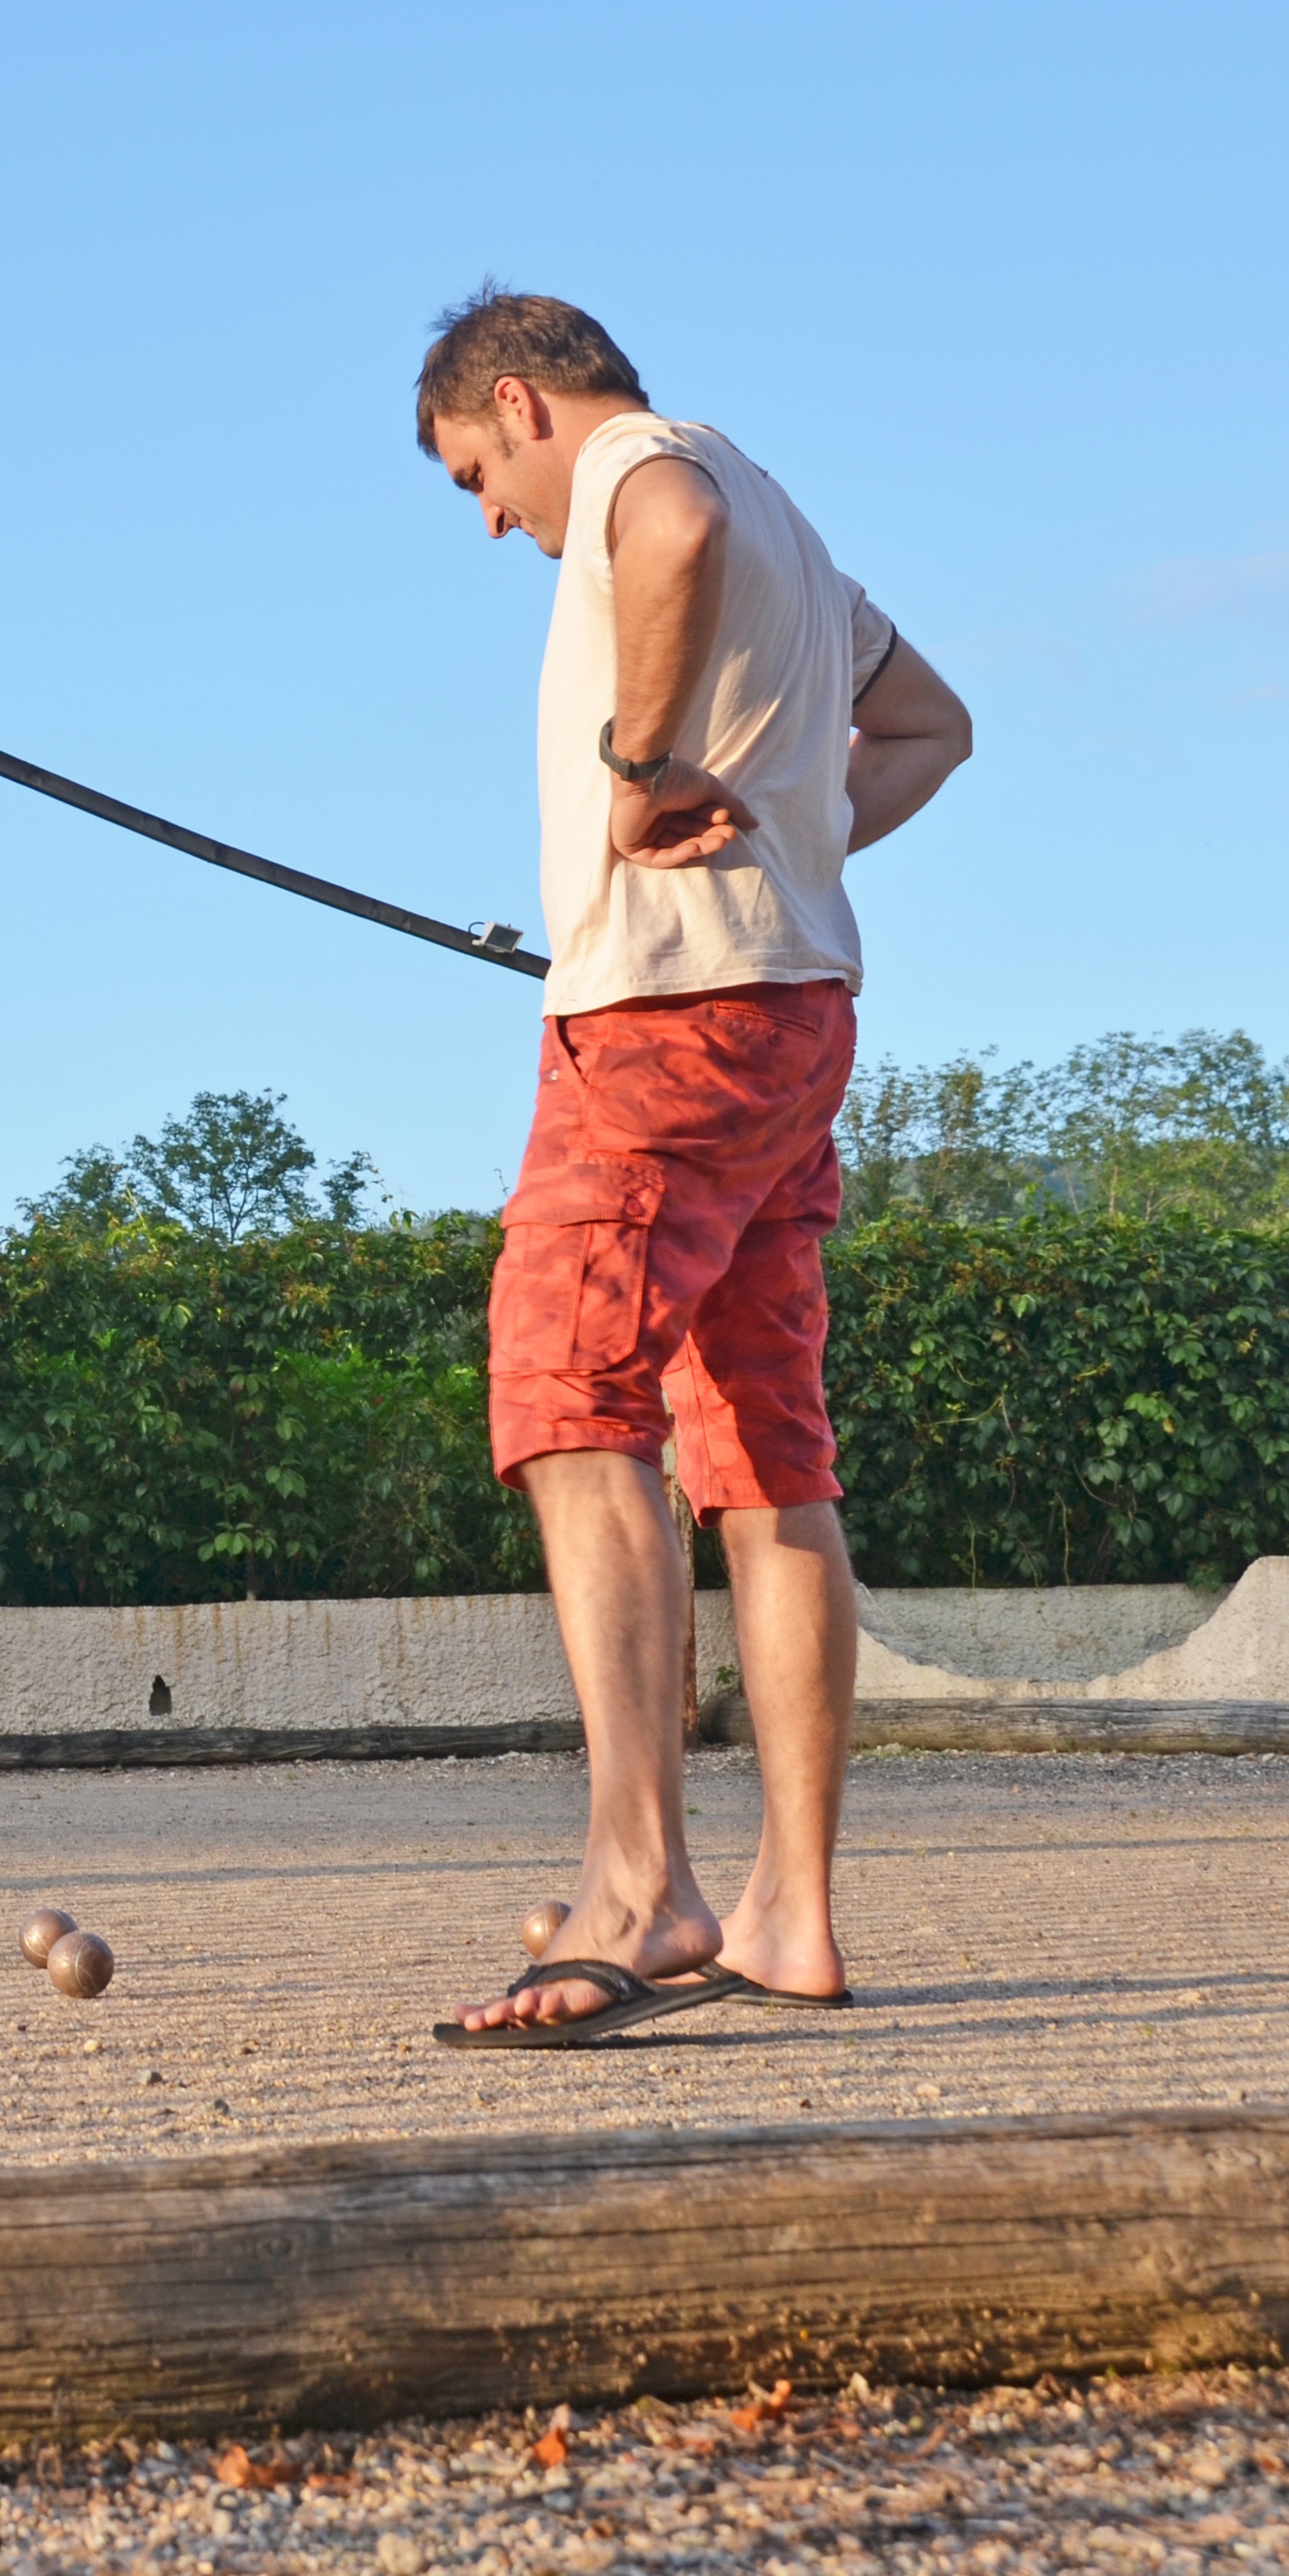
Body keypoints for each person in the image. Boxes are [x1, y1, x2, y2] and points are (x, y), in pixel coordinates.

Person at [413, 289, 974, 2043]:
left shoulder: (649, 473)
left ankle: (642, 1890)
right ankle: (789, 1914)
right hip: (792, 1012)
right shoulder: (794, 527)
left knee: (568, 1398)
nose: (493, 520)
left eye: (472, 476)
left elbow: (665, 525)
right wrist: (781, 842)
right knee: (764, 1453)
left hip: (661, 1022)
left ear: (518, 404)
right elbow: (934, 728)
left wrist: (641, 775)